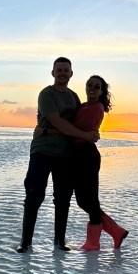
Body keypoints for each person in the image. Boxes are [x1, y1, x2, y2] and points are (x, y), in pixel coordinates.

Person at [16, 57, 99, 253]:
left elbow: (77, 124)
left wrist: (90, 133)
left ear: (71, 74)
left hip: (65, 154)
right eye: (59, 70)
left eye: (65, 70)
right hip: (42, 150)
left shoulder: (74, 97)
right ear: (53, 72)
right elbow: (59, 122)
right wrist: (85, 135)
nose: (62, 73)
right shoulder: (46, 94)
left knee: (63, 197)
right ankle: (25, 242)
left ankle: (59, 241)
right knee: (34, 195)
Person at [70, 75, 129, 252]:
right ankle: (116, 231)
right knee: (83, 200)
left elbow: (75, 127)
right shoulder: (83, 105)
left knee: (89, 200)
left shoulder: (96, 108)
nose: (92, 88)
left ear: (101, 91)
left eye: (97, 86)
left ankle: (94, 243)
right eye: (90, 85)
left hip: (87, 155)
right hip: (79, 154)